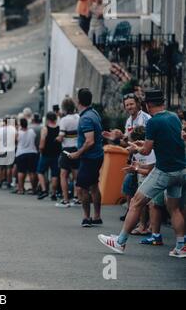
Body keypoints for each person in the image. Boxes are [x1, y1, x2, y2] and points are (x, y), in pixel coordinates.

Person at [99, 90, 186, 257]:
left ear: (148, 105)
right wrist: (142, 143)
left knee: (136, 202)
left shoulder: (153, 122)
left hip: (164, 170)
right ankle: (181, 246)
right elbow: (168, 141)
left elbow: (146, 151)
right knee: (175, 209)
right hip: (181, 169)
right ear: (163, 102)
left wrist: (136, 147)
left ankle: (120, 241)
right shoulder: (174, 117)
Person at [103, 93, 151, 221]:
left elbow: (145, 140)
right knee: (129, 188)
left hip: (146, 160)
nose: (129, 107)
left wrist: (125, 140)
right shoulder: (129, 120)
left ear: (138, 104)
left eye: (131, 104)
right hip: (134, 160)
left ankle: (143, 224)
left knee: (142, 193)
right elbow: (127, 142)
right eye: (127, 105)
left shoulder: (145, 118)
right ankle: (132, 215)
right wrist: (117, 139)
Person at [68, 88, 104, 227]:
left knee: (81, 188)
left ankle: (86, 217)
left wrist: (78, 153)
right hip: (97, 155)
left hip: (90, 157)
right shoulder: (94, 113)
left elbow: (90, 140)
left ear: (78, 101)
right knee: (94, 185)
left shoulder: (85, 118)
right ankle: (97, 216)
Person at [56, 97, 80, 207]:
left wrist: (57, 139)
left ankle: (66, 200)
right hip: (77, 148)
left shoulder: (64, 120)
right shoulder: (78, 117)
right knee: (76, 175)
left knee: (63, 175)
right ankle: (77, 197)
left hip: (66, 150)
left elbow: (61, 136)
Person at [37, 112, 61, 201]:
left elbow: (42, 142)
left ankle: (44, 190)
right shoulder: (59, 129)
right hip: (57, 154)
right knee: (55, 174)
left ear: (47, 119)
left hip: (46, 154)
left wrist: (40, 150)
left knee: (40, 171)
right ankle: (53, 193)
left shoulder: (45, 129)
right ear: (55, 119)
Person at [14, 118, 38, 195]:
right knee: (32, 172)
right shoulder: (32, 131)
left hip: (21, 153)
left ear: (20, 124)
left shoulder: (18, 132)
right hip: (32, 152)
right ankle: (33, 189)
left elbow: (15, 141)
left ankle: (21, 189)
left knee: (21, 172)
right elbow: (35, 139)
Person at [0, 116, 16, 189]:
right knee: (9, 168)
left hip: (1, 150)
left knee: (0, 168)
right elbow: (15, 139)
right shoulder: (13, 129)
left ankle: (0, 182)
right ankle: (8, 182)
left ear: (4, 121)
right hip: (10, 150)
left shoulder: (0, 130)